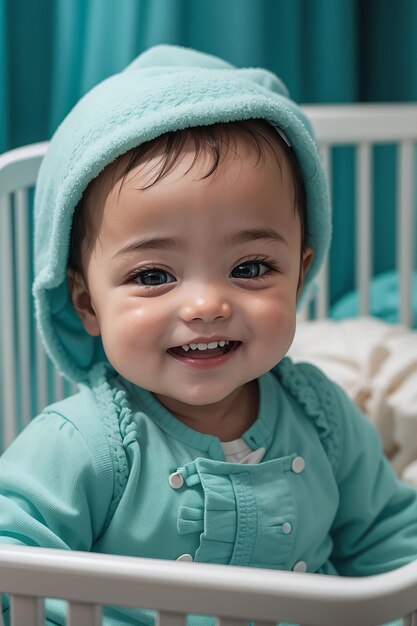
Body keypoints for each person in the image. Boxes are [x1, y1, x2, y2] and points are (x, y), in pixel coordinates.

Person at [1, 45, 416, 626]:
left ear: (298, 275)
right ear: (86, 303)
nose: (205, 305)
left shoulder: (319, 414)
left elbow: (390, 537)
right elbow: (11, 572)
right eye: (153, 276)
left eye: (250, 268)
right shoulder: (84, 445)